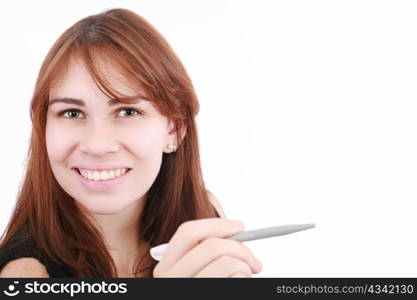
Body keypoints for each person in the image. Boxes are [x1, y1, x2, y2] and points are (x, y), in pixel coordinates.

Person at [0, 8, 262, 278]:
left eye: (127, 112)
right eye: (72, 113)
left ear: (175, 128)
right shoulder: (24, 275)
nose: (98, 145)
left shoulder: (202, 213)